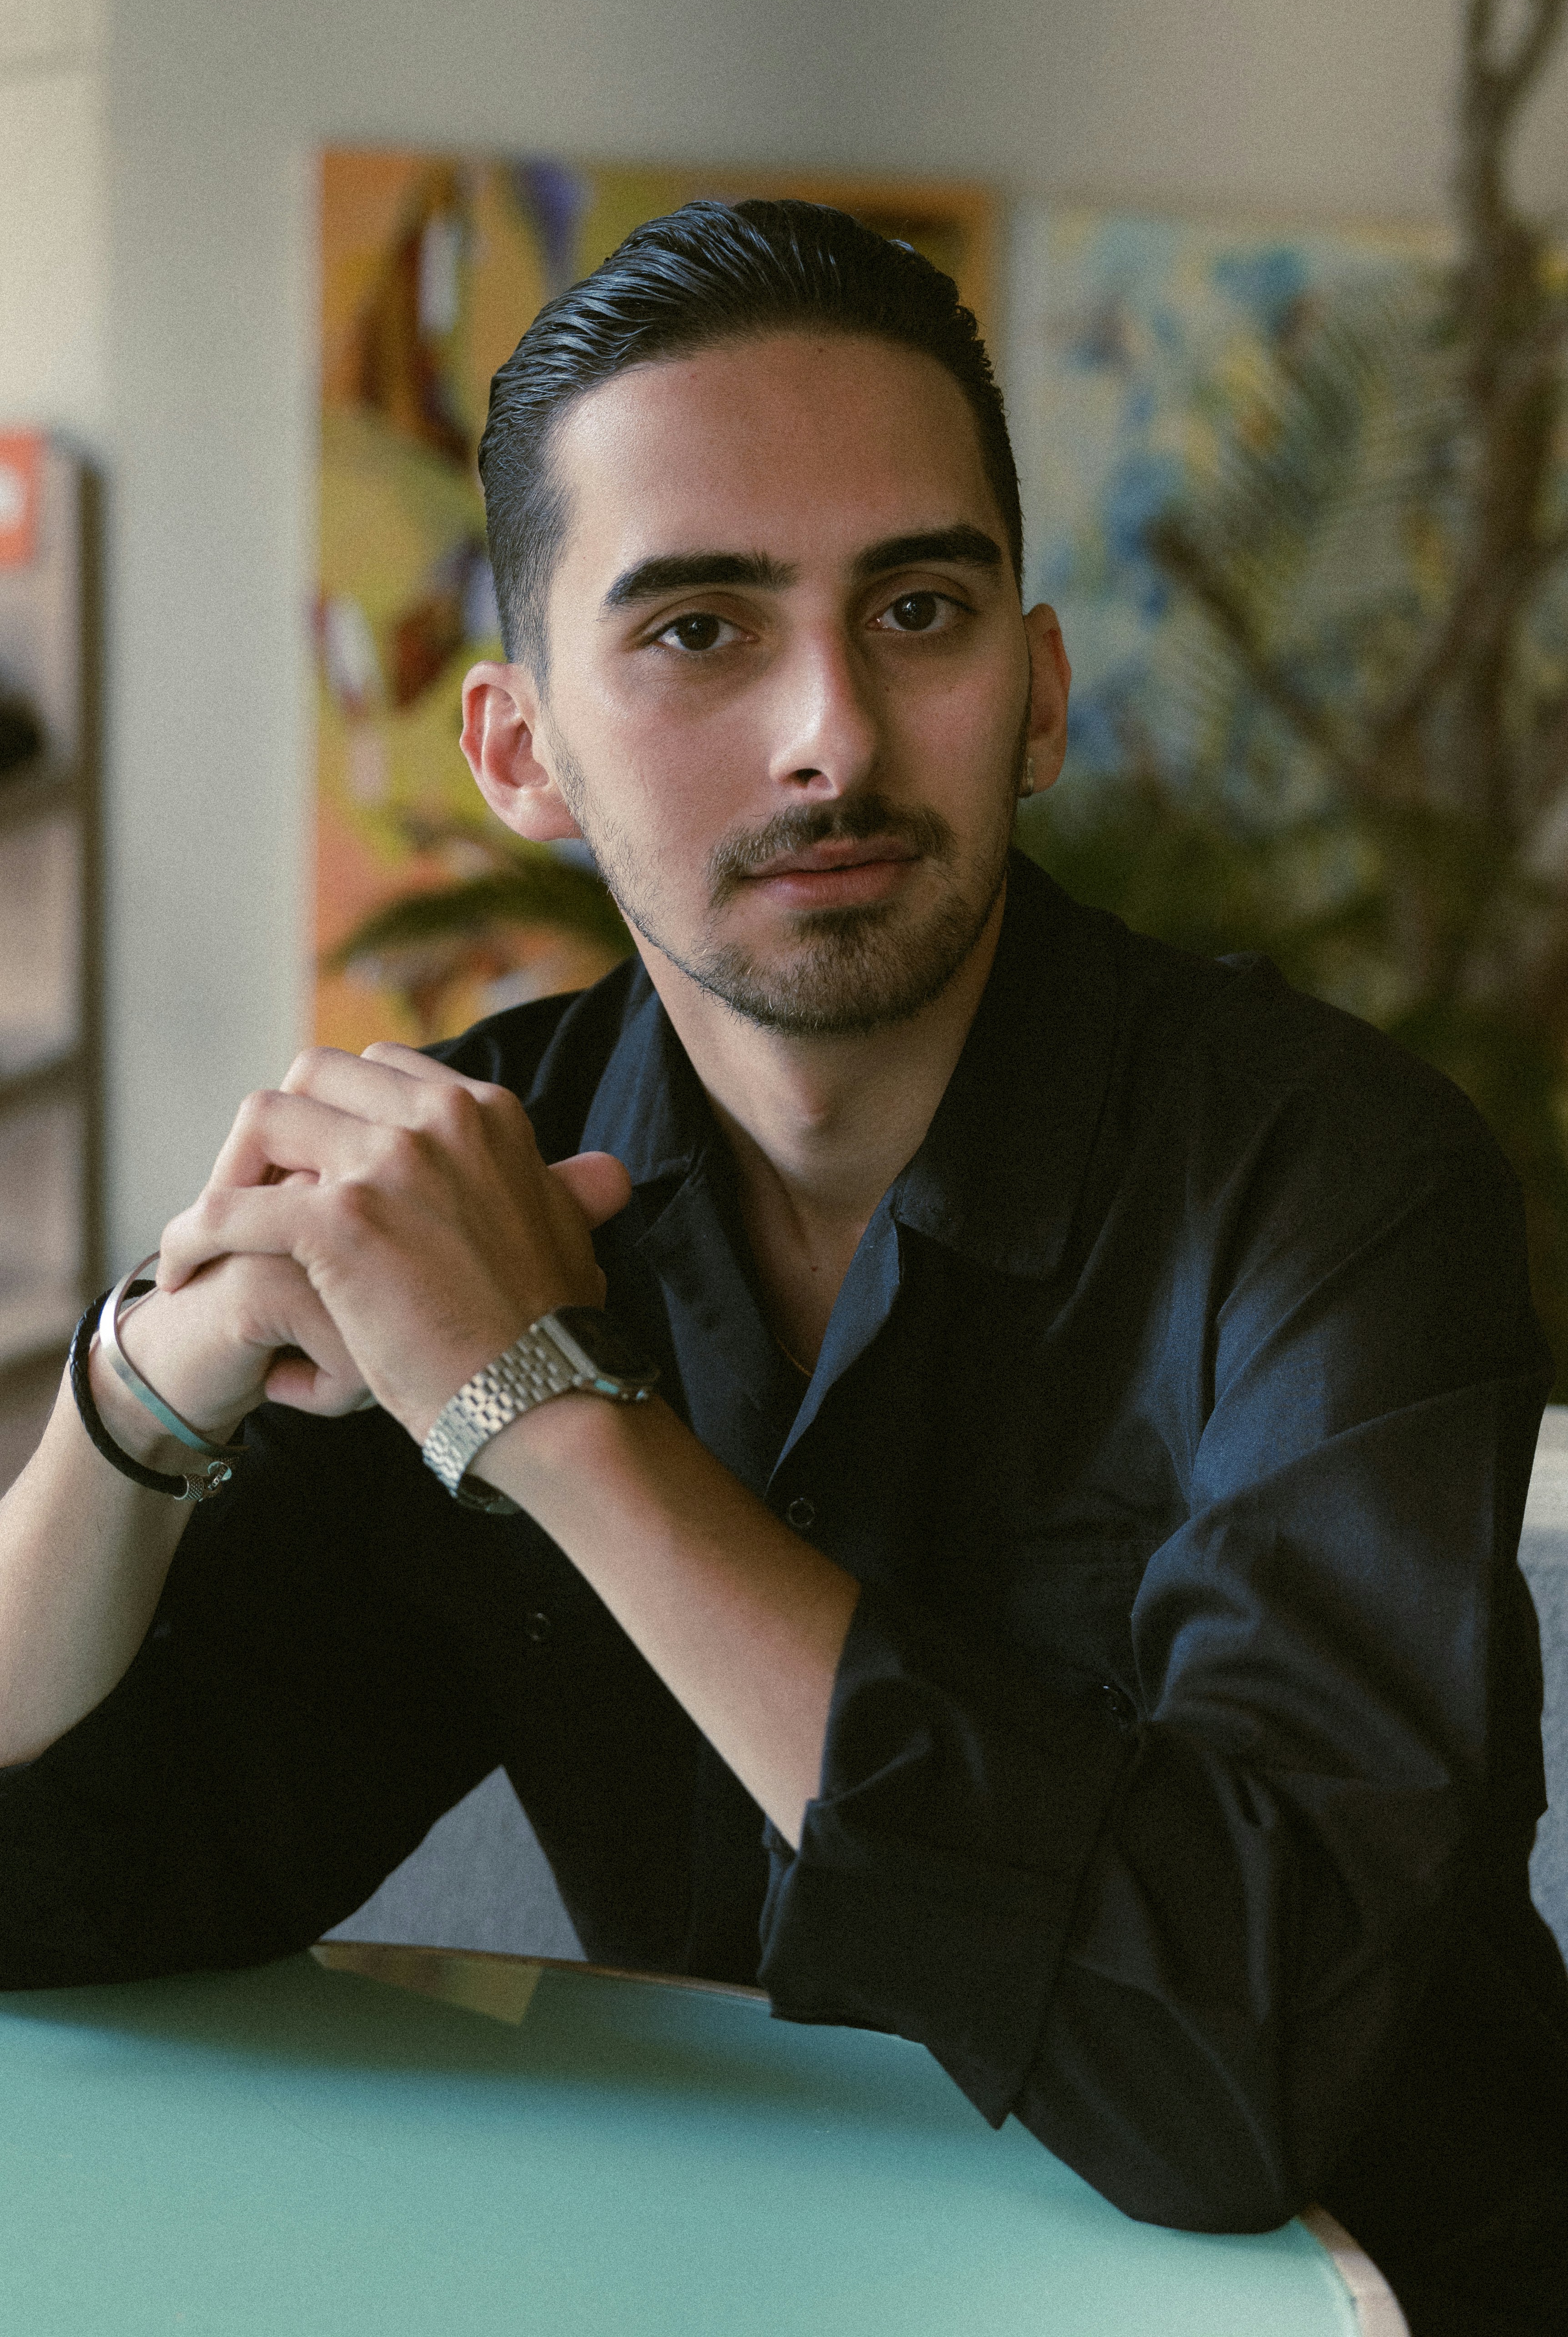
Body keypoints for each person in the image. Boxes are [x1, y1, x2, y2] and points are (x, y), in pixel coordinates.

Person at [0, 200, 1564, 2336]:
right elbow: (82, 1884)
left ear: (1032, 689)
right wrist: (131, 1397)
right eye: (698, 629)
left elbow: (1242, 2060)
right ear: (516, 748)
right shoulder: (482, 1184)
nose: (828, 731)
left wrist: (542, 1413)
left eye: (916, 607)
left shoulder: (1334, 1180)